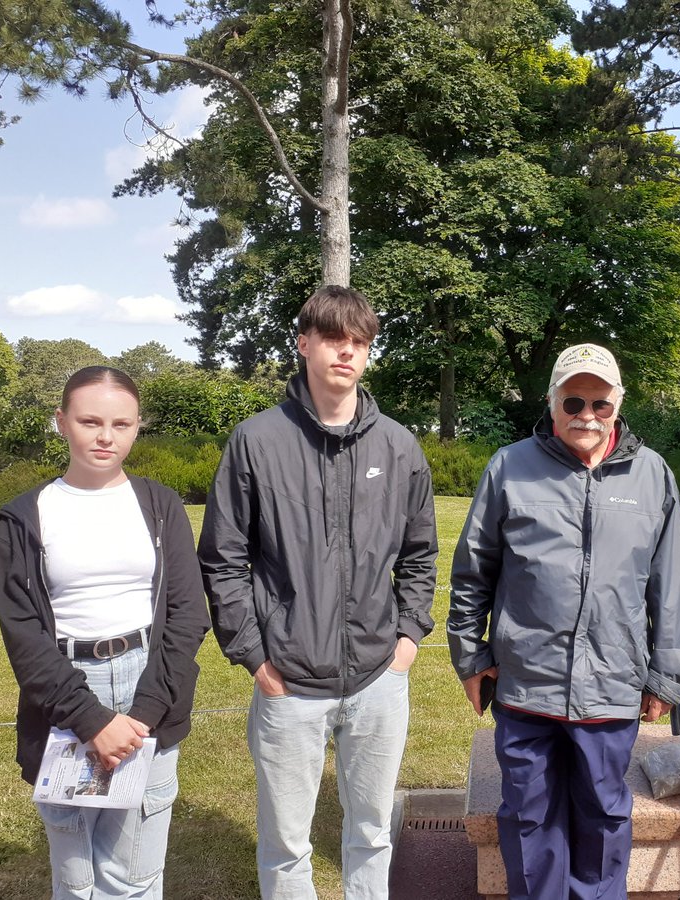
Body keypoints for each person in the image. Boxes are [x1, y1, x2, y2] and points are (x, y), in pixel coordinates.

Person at [198, 285, 438, 900]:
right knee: (285, 845)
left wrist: (408, 639)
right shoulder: (255, 442)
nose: (346, 352)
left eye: (359, 342)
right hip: (288, 681)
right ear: (303, 343)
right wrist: (254, 657)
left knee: (371, 832)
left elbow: (419, 555)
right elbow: (222, 559)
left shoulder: (400, 446)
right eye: (333, 338)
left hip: (378, 678)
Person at [448, 343, 680, 900]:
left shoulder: (652, 474)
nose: (587, 415)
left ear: (618, 405)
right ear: (552, 402)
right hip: (525, 683)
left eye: (601, 404)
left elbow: (674, 588)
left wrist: (666, 676)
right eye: (574, 402)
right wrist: (471, 657)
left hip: (612, 685)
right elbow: (473, 572)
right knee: (528, 817)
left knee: (604, 817)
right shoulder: (509, 467)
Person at [0, 366, 210, 899]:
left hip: (148, 685)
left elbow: (186, 613)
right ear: (61, 422)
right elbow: (24, 635)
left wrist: (144, 714)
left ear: (137, 428)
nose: (106, 436)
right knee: (77, 876)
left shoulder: (161, 507)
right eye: (90, 421)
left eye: (122, 424)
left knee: (133, 875)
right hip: (63, 696)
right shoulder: (23, 520)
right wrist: (90, 721)